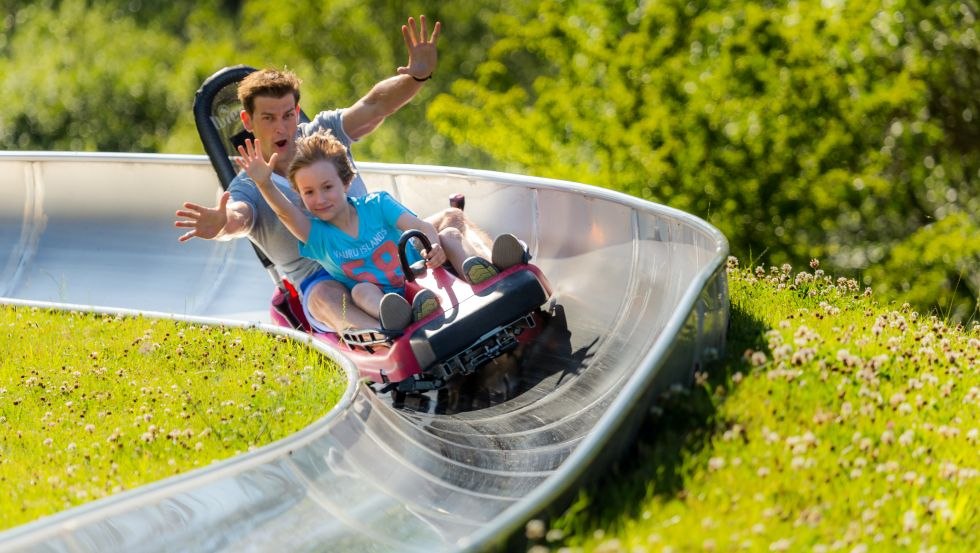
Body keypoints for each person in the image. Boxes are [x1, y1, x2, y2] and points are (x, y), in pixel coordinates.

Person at [175, 15, 526, 333]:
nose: (281, 127)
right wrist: (221, 224)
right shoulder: (251, 185)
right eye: (268, 118)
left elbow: (373, 106)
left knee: (451, 218)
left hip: (384, 250)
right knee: (326, 295)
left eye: (287, 115)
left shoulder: (323, 136)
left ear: (297, 111)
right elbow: (239, 215)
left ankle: (500, 271)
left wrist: (417, 76)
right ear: (249, 122)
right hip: (328, 277)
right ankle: (387, 334)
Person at [237, 130, 483, 331]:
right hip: (383, 297)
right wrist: (264, 183)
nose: (320, 198)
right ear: (300, 197)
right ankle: (399, 316)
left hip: (421, 272)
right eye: (309, 192)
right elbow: (285, 213)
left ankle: (484, 273)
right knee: (360, 290)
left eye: (327, 187)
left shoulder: (376, 204)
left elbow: (420, 227)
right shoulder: (318, 237)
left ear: (345, 182)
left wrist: (434, 246)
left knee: (449, 235)